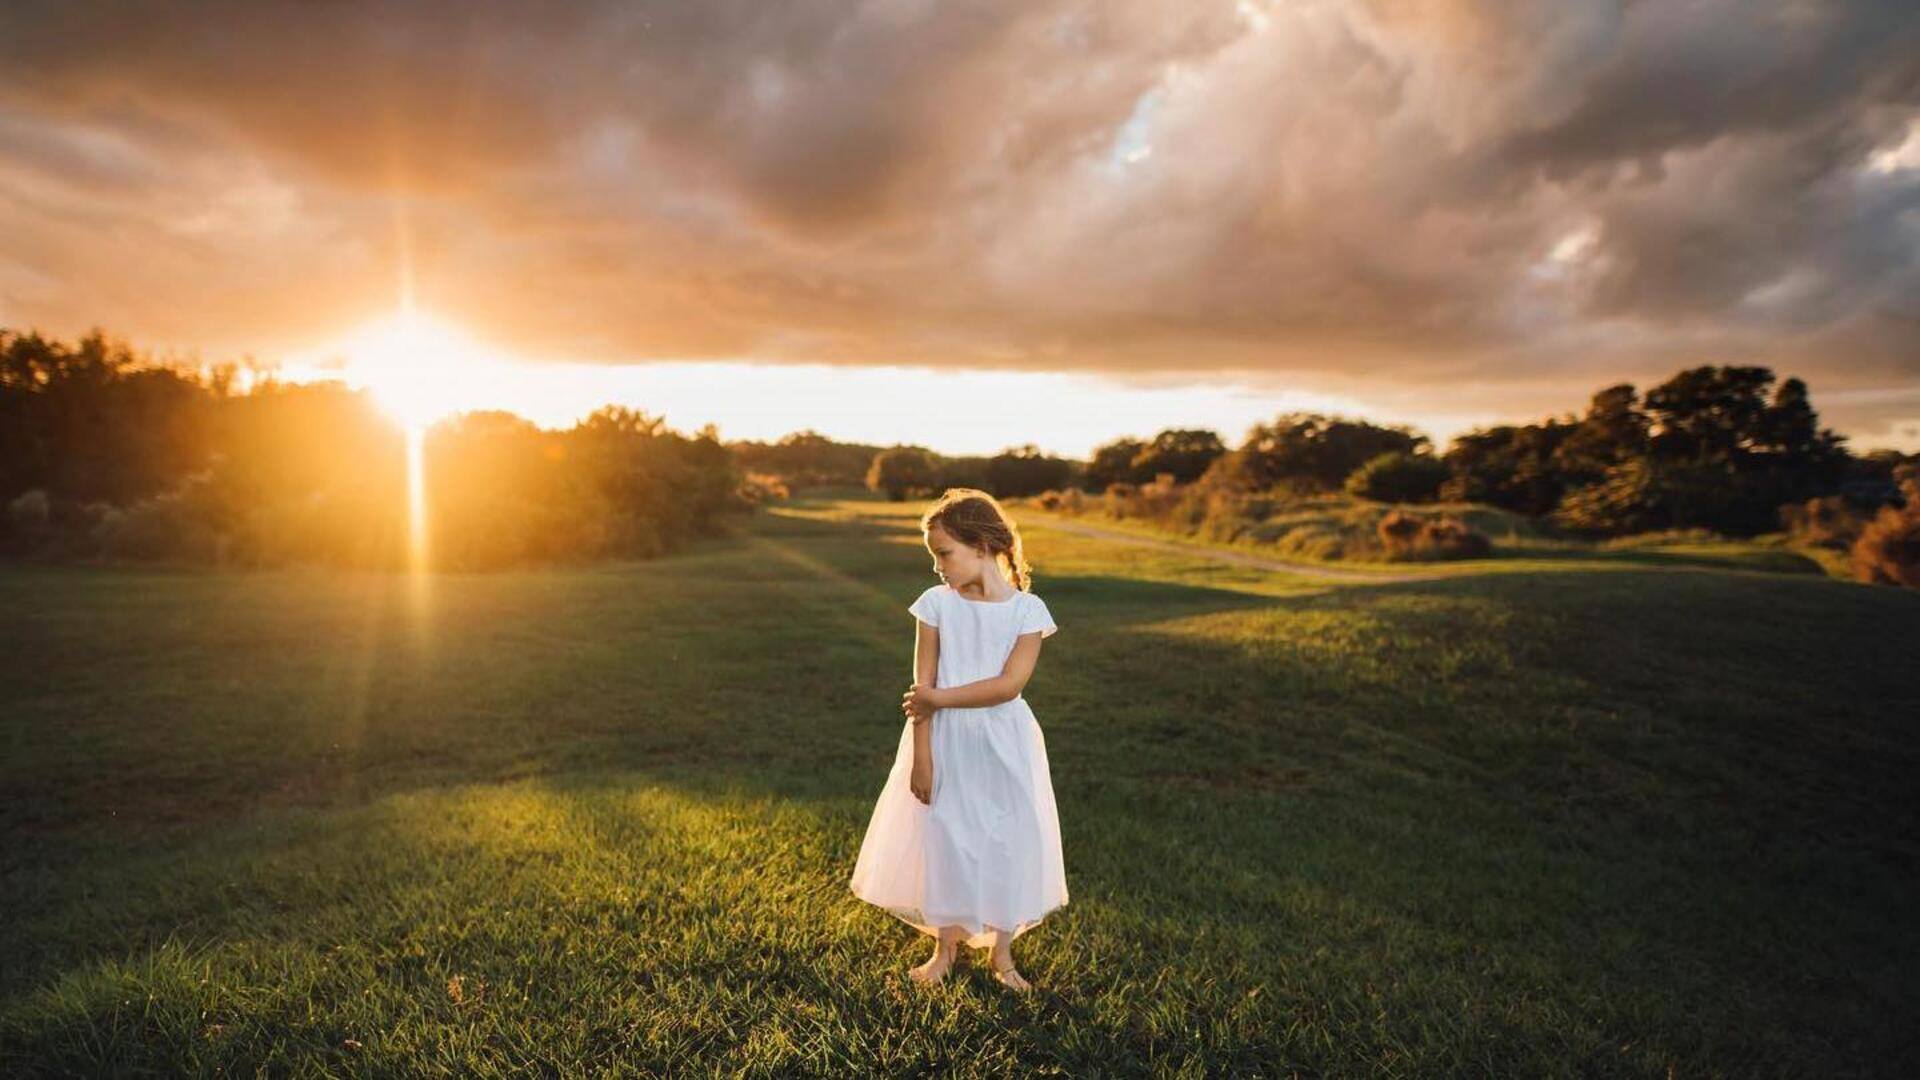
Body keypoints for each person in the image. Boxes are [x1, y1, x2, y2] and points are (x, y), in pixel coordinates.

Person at [848, 487, 1069, 992]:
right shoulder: (936, 605)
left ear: (982, 545)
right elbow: (921, 688)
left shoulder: (1027, 611)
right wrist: (921, 756)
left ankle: (1003, 955)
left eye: (944, 553)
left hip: (1004, 738)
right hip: (943, 739)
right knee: (947, 834)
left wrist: (937, 701)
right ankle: (944, 949)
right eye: (934, 556)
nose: (939, 567)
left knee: (1006, 836)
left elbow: (1008, 686)